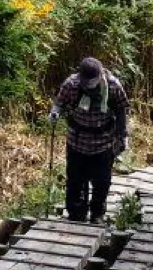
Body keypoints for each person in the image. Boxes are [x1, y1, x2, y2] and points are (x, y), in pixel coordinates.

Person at [49, 57, 129, 223]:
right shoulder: (71, 84)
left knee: (102, 182)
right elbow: (60, 102)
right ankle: (76, 214)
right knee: (75, 180)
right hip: (77, 141)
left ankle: (97, 214)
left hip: (104, 142)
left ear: (101, 75)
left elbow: (122, 109)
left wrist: (122, 136)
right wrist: (55, 112)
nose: (89, 85)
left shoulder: (113, 85)